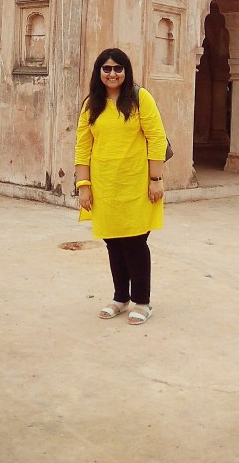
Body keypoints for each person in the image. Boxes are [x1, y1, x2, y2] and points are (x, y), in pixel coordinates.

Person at [74, 48, 166, 325]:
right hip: (105, 185)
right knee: (113, 242)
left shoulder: (140, 98)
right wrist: (83, 185)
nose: (112, 73)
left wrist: (156, 179)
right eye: (107, 68)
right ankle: (120, 297)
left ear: (126, 71)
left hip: (137, 183)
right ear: (99, 72)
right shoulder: (92, 104)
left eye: (118, 68)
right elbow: (82, 146)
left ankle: (142, 302)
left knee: (135, 242)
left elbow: (157, 138)